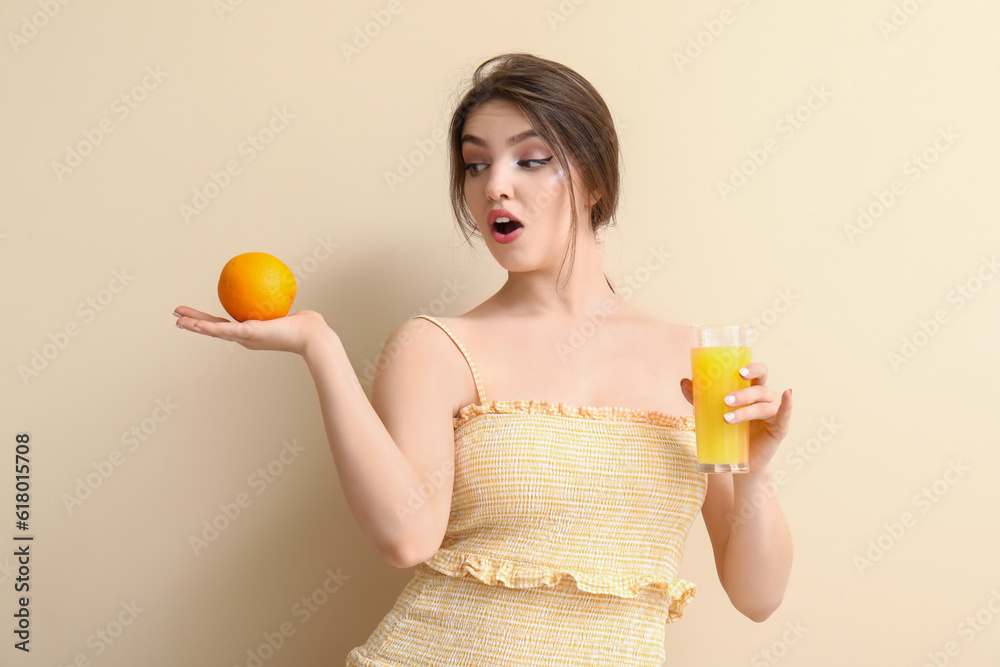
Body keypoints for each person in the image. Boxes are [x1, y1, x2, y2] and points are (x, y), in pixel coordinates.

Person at [173, 52, 793, 666]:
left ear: (596, 181)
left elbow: (757, 596)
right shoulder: (435, 347)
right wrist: (321, 348)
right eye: (476, 164)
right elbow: (405, 539)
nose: (495, 184)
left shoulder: (701, 361)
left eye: (530, 159)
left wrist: (754, 473)